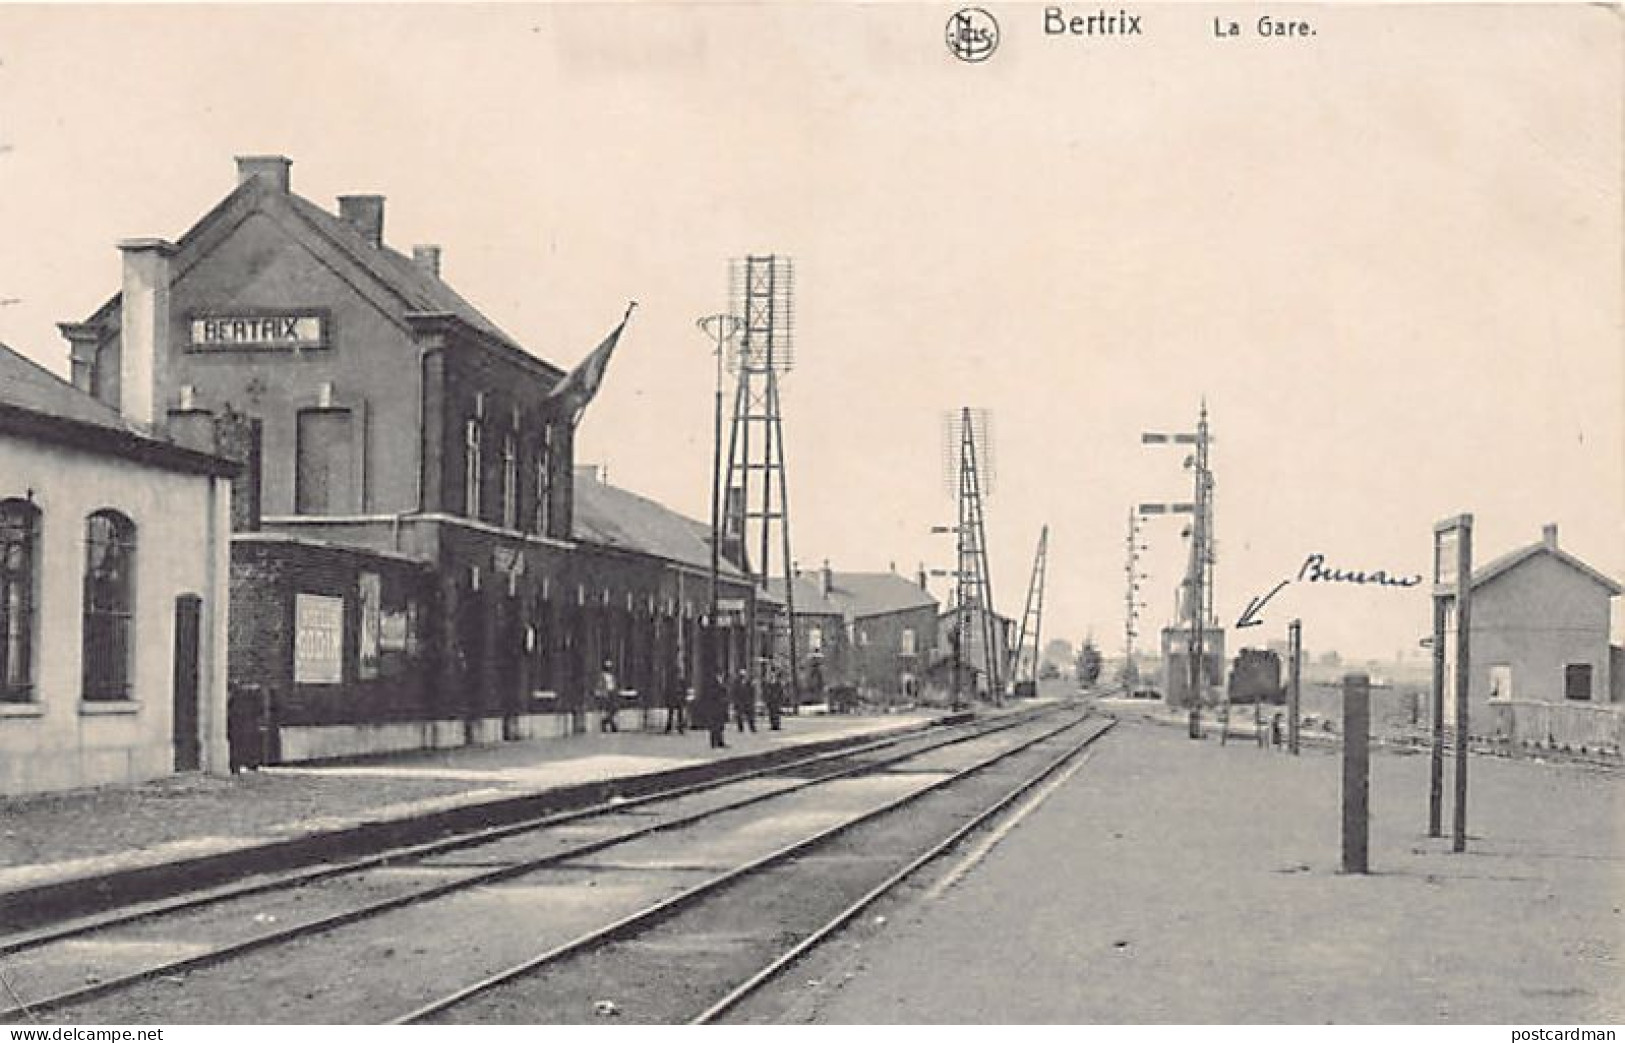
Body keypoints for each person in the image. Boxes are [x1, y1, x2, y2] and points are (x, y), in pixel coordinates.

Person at [700, 668, 729, 749]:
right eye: (720, 675)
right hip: (714, 708)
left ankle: (720, 742)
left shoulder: (722, 684)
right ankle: (713, 743)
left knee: (720, 726)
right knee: (714, 726)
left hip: (720, 708)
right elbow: (711, 695)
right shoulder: (712, 684)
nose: (721, 677)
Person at [596, 659, 620, 733]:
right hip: (606, 694)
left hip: (612, 693)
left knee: (614, 708)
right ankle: (612, 725)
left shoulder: (612, 676)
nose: (609, 669)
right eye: (608, 667)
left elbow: (614, 685)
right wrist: (602, 693)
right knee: (610, 709)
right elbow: (600, 685)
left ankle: (606, 722)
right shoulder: (602, 676)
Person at [731, 668, 757, 733]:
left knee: (750, 716)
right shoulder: (736, 683)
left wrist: (752, 701)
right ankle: (740, 728)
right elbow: (734, 693)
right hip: (740, 702)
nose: (743, 676)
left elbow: (752, 692)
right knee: (739, 716)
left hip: (748, 702)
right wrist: (735, 702)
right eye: (742, 674)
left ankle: (752, 728)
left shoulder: (749, 682)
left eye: (744, 674)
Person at [663, 667, 689, 735]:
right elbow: (668, 690)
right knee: (672, 713)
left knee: (678, 714)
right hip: (674, 697)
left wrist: (684, 696)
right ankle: (670, 727)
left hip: (678, 698)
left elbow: (684, 689)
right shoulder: (673, 681)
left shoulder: (680, 681)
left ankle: (679, 728)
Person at [763, 665, 784, 731]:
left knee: (776, 713)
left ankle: (777, 725)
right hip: (770, 700)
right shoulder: (768, 683)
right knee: (771, 713)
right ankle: (772, 725)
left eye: (773, 674)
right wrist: (766, 699)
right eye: (771, 675)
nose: (772, 676)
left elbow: (781, 692)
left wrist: (781, 699)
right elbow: (766, 692)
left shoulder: (778, 683)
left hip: (776, 700)